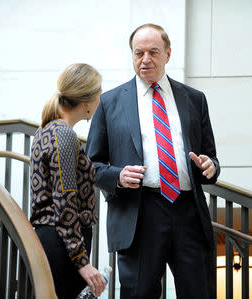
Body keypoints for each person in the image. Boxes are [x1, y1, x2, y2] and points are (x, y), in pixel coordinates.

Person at [86, 24, 220, 299]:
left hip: (189, 213)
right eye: (138, 53)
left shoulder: (195, 99)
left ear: (168, 54)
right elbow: (92, 166)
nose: (145, 59)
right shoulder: (110, 103)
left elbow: (211, 158)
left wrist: (211, 166)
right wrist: (118, 176)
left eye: (153, 52)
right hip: (140, 213)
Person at [30, 63, 106, 299]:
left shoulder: (44, 131)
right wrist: (82, 261)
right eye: (99, 94)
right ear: (87, 102)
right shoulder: (64, 134)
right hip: (62, 245)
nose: (100, 101)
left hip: (53, 240)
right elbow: (64, 203)